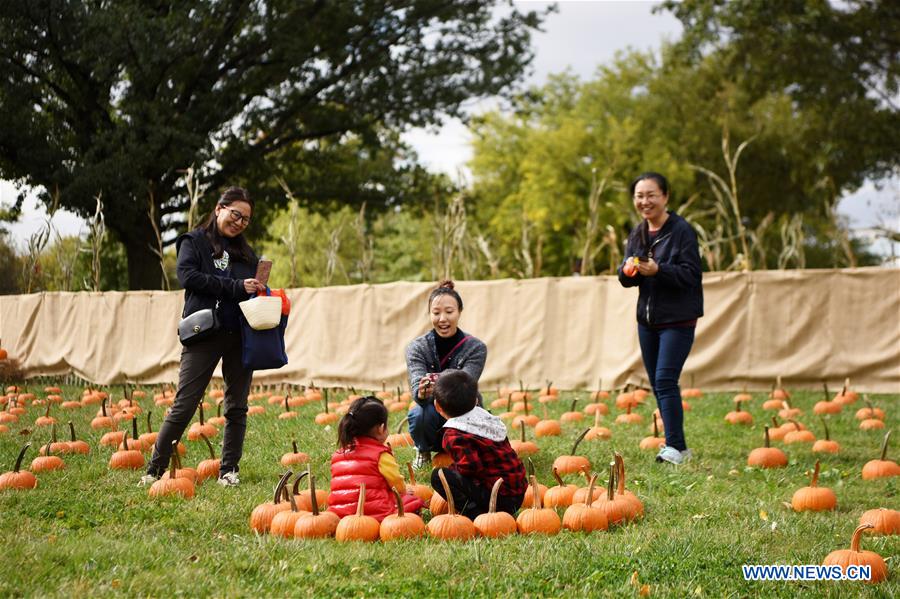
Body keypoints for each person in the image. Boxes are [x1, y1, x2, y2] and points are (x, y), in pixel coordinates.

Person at [140, 187, 265, 487]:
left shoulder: (247, 253)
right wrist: (236, 286)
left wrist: (260, 288)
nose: (239, 223)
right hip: (204, 332)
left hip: (240, 334)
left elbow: (249, 291)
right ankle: (154, 469)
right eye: (236, 214)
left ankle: (229, 470)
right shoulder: (194, 241)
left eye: (245, 220)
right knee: (185, 403)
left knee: (237, 406)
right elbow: (188, 277)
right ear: (219, 208)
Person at [617, 172, 703, 465]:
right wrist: (626, 271)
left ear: (665, 196)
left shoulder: (681, 231)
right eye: (639, 196)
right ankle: (681, 447)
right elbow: (626, 276)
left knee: (665, 379)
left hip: (678, 319)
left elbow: (691, 274)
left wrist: (660, 270)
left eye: (651, 195)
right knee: (658, 383)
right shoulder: (638, 233)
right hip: (648, 321)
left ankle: (674, 447)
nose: (645, 201)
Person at [405, 280, 487, 469]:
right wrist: (421, 392)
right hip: (432, 412)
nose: (442, 318)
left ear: (459, 312)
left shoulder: (476, 348)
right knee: (419, 413)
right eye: (436, 313)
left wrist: (437, 383)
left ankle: (468, 450)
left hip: (465, 411)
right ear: (429, 314)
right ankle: (423, 450)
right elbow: (417, 385)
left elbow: (465, 387)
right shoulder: (416, 348)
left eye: (449, 312)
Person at [430, 370, 526, 519]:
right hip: (517, 493)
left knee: (439, 476)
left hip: (499, 498)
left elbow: (470, 467)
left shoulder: (454, 434)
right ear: (476, 401)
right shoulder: (486, 418)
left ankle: (475, 515)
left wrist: (452, 471)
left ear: (437, 406)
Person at [328, 396, 425, 521]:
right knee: (412, 501)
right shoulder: (380, 455)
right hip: (377, 516)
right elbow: (396, 484)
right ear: (381, 428)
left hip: (339, 516)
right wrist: (405, 490)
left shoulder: (338, 454)